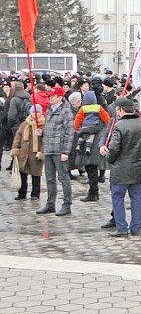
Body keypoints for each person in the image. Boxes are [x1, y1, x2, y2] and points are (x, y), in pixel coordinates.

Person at [100, 98, 141, 237]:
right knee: (136, 198)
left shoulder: (119, 125)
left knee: (118, 198)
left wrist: (108, 156)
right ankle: (135, 227)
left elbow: (114, 148)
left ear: (121, 110)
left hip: (120, 168)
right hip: (138, 167)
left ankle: (122, 228)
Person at [36, 86, 75, 217]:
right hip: (48, 148)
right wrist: (41, 132)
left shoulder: (66, 111)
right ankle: (50, 204)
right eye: (49, 96)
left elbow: (70, 133)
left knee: (63, 177)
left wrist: (66, 151)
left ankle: (67, 204)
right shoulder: (48, 111)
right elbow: (48, 127)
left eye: (52, 96)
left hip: (59, 150)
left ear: (59, 97)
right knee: (49, 178)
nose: (50, 98)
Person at [11, 104, 45, 201]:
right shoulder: (24, 124)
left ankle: (35, 194)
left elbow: (45, 140)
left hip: (35, 154)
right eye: (34, 112)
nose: (35, 114)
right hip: (24, 153)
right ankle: (22, 193)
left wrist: (41, 152)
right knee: (23, 175)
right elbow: (18, 136)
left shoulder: (43, 125)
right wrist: (15, 148)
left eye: (37, 112)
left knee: (36, 176)